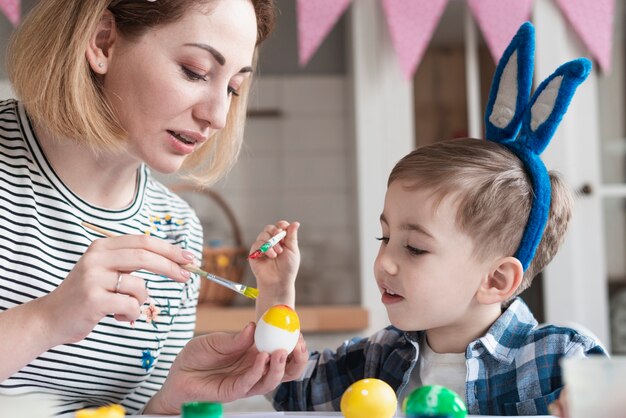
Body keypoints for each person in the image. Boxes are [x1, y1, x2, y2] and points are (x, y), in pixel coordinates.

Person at [249, 23, 608, 416]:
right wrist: (276, 290)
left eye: (415, 248)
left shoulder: (564, 359)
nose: (384, 261)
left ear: (496, 280)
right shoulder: (380, 356)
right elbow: (288, 389)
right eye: (383, 238)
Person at [0, 0, 307, 415]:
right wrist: (45, 320)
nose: (217, 115)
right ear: (102, 42)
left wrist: (171, 399)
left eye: (233, 88)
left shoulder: (176, 228)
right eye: (195, 71)